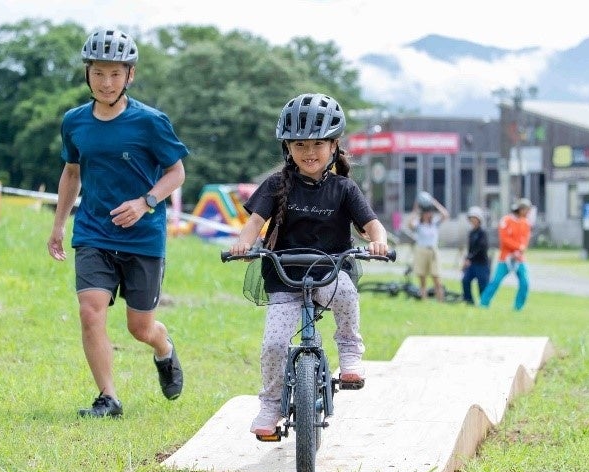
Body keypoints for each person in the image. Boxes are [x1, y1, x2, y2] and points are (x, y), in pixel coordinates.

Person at [228, 93, 389, 436]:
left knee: (345, 292)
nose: (309, 152)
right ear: (288, 147)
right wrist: (244, 242)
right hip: (285, 276)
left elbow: (371, 225)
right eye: (300, 144)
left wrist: (379, 240)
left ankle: (349, 354)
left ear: (334, 145)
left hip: (329, 272)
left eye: (318, 143)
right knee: (273, 344)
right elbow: (255, 223)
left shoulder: (345, 189)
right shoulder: (276, 185)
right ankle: (270, 405)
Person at [47, 29, 188, 418]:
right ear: (87, 74)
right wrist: (59, 225)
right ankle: (108, 398)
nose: (106, 83)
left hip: (143, 236)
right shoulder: (75, 122)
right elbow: (71, 173)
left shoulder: (151, 123)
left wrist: (146, 203)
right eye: (98, 73)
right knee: (90, 309)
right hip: (93, 231)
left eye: (115, 74)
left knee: (140, 328)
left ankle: (164, 349)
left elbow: (176, 173)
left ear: (130, 75)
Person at [480, 198, 533, 311]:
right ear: (521, 209)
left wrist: (520, 250)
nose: (528, 213)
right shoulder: (506, 220)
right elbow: (504, 239)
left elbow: (525, 239)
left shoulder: (526, 223)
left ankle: (518, 307)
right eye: (526, 210)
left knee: (525, 283)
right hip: (506, 257)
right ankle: (483, 303)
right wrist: (517, 247)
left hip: (519, 258)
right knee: (496, 281)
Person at [408, 192, 449, 301]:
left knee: (436, 277)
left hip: (433, 251)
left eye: (429, 212)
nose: (428, 214)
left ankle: (440, 300)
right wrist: (416, 208)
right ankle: (424, 299)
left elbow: (445, 214)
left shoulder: (434, 223)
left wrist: (434, 202)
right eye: (426, 212)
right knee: (422, 278)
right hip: (421, 250)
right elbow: (410, 223)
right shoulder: (419, 225)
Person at [461, 206, 490, 305]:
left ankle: (483, 303)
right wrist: (466, 259)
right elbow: (470, 249)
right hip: (472, 263)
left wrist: (470, 258)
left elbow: (481, 247)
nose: (472, 220)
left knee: (482, 285)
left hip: (481, 263)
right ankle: (469, 301)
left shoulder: (483, 233)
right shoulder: (471, 233)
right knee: (465, 280)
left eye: (474, 218)